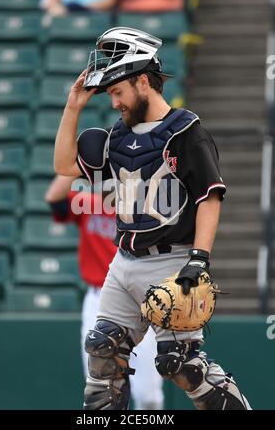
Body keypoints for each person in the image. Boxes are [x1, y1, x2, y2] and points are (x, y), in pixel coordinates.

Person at [53, 26, 252, 410]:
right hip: (122, 261)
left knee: (182, 366)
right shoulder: (113, 138)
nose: (114, 103)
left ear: (143, 80)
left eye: (118, 92)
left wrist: (199, 258)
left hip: (171, 262)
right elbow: (63, 165)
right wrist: (73, 106)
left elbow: (210, 197)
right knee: (102, 356)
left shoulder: (186, 132)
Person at [45, 175, 164, 410]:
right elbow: (54, 199)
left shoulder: (145, 212)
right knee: (101, 389)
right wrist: (75, 166)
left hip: (138, 301)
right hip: (98, 300)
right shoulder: (89, 204)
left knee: (149, 397)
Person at [40, 0, 117, 15]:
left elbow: (110, 1)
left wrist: (88, 5)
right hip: (67, 15)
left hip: (95, 15)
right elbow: (49, 3)